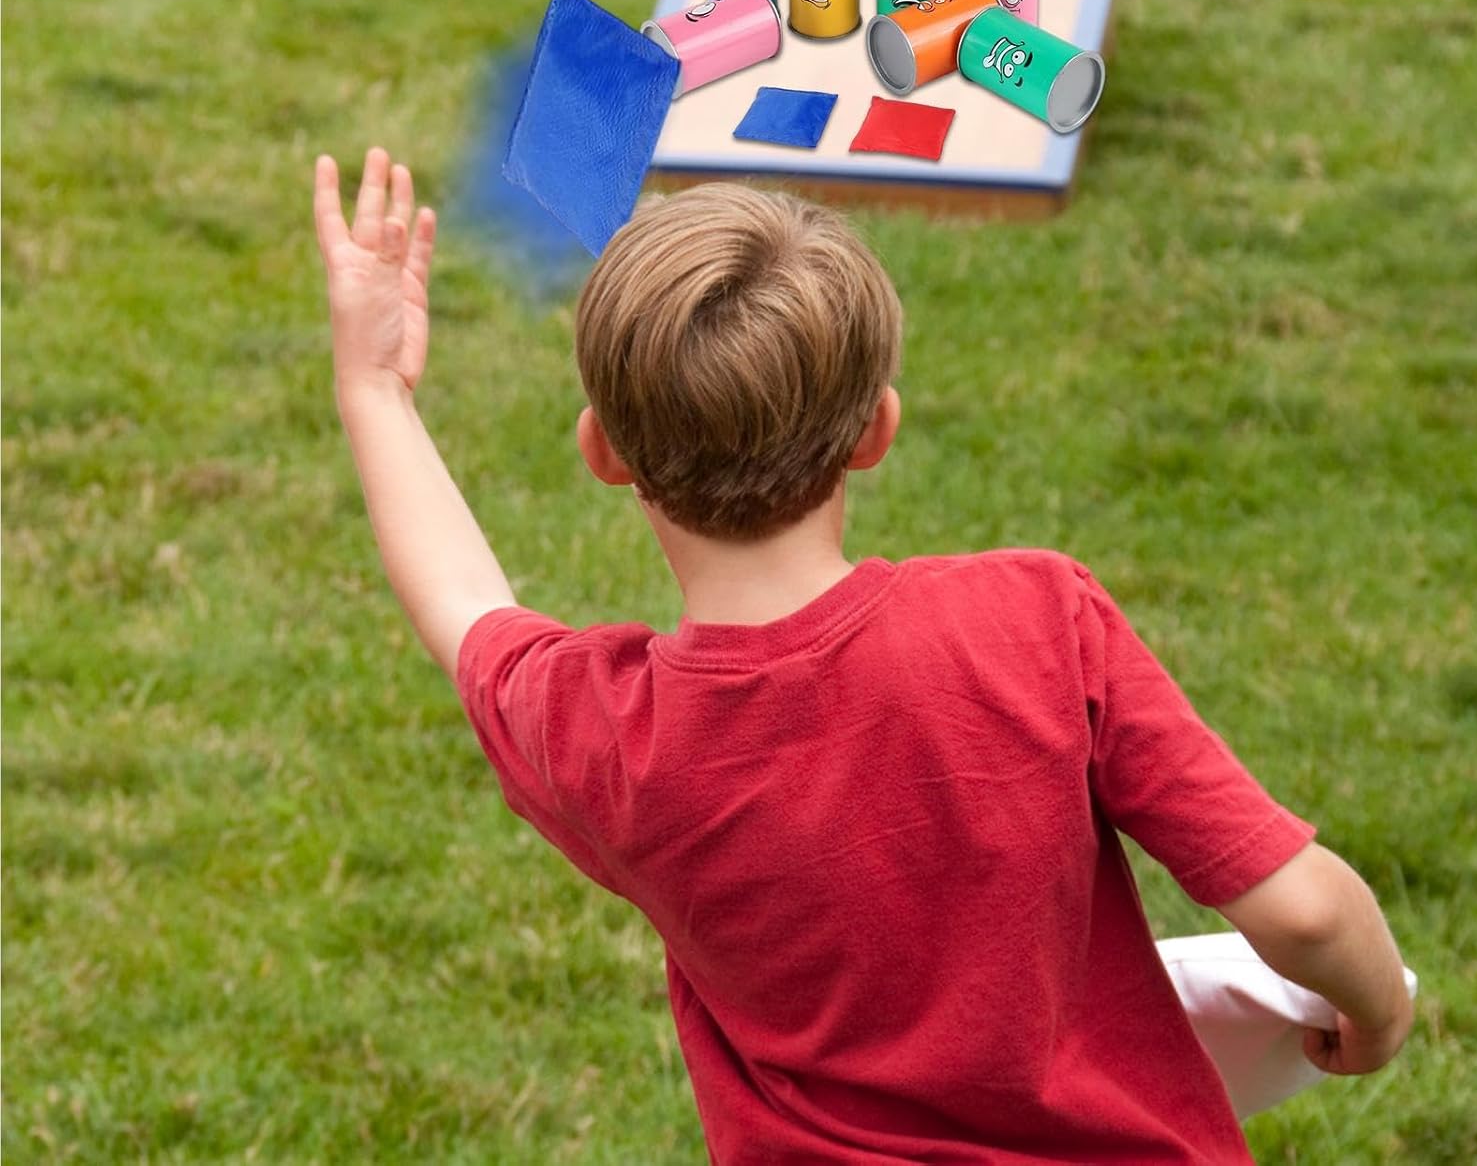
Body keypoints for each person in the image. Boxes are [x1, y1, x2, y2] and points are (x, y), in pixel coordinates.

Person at [313, 147, 1414, 1164]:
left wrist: (374, 384)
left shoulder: (605, 737)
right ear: (877, 429)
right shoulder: (1037, 617)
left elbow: (463, 602)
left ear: (602, 451)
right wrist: (1377, 1011)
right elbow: (1304, 914)